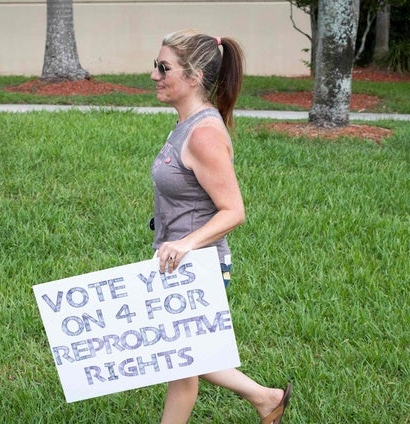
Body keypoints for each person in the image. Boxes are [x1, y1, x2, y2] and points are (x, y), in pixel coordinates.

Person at [149, 29, 293, 424]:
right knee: (183, 359)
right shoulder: (187, 124)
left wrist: (185, 244)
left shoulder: (205, 134)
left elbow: (233, 211)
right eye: (155, 65)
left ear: (194, 77)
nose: (154, 75)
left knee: (180, 364)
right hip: (179, 264)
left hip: (199, 267)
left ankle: (266, 397)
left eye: (164, 68)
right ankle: (266, 399)